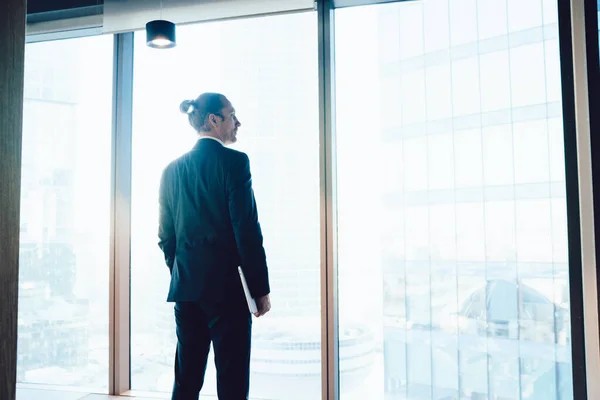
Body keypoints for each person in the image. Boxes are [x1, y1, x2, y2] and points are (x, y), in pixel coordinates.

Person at [157, 92, 271, 400]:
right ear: (214, 120)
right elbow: (245, 229)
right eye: (232, 115)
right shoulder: (235, 162)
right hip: (227, 291)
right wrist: (259, 289)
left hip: (187, 290)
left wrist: (183, 273)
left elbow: (166, 237)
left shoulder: (171, 170)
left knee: (186, 381)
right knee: (232, 384)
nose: (238, 123)